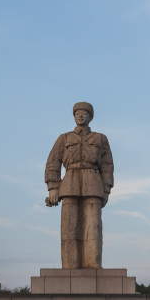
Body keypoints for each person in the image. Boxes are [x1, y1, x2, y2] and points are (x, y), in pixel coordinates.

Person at [44, 102, 114, 269]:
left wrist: (106, 189)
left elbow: (107, 165)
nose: (80, 115)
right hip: (70, 183)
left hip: (92, 181)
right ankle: (70, 265)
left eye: (84, 113)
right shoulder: (65, 138)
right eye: (77, 113)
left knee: (93, 226)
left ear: (90, 117)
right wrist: (53, 187)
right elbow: (53, 162)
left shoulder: (100, 138)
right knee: (70, 226)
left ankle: (93, 263)